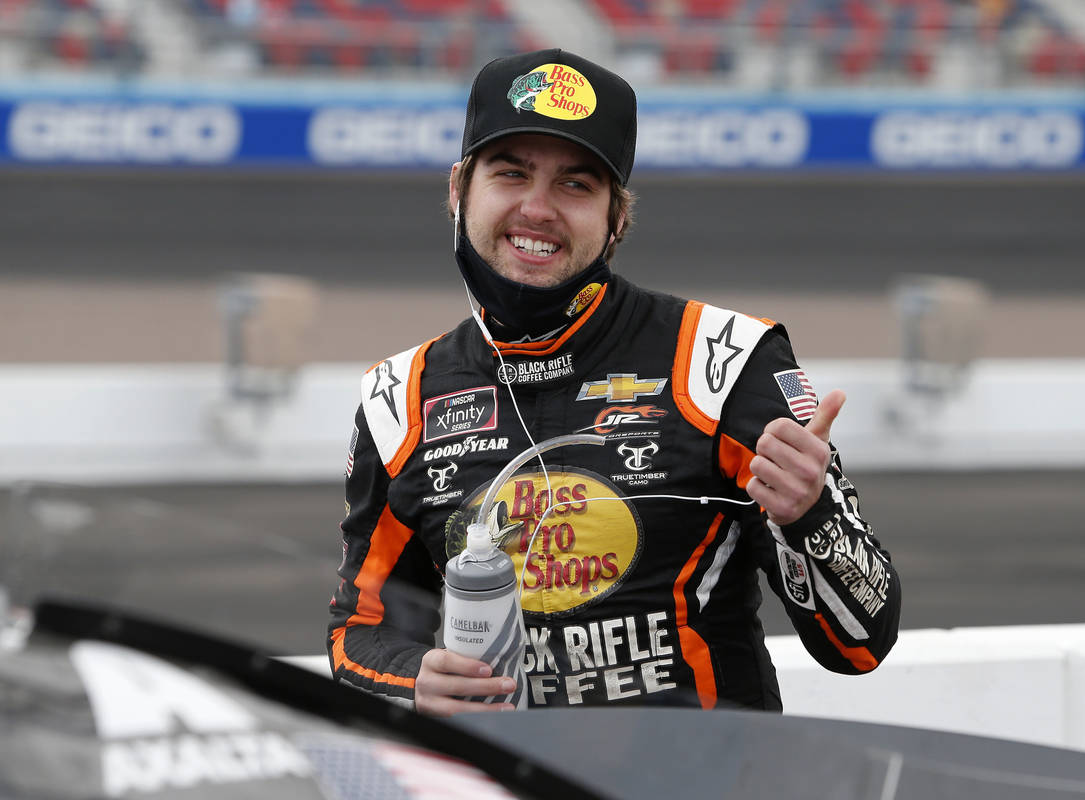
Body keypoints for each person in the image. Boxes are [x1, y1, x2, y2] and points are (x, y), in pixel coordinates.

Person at [328, 48, 900, 715]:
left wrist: (811, 518)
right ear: (460, 190)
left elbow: (861, 643)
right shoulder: (399, 397)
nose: (537, 208)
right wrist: (410, 679)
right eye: (511, 174)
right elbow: (360, 631)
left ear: (617, 218)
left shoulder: (723, 360)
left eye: (576, 185)